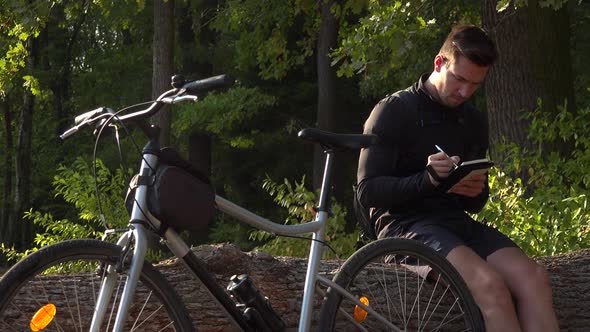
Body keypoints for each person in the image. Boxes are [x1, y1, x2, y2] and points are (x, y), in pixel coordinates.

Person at [356, 24, 559, 331]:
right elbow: (367, 192)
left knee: (535, 279)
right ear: (440, 63)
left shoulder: (472, 120)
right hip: (405, 225)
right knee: (490, 286)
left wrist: (475, 190)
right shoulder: (394, 110)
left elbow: (477, 202)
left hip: (455, 224)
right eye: (460, 79)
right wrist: (427, 179)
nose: (465, 91)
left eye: (475, 85)